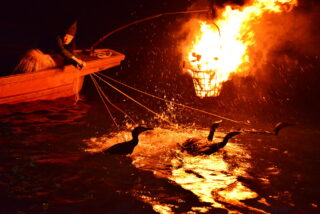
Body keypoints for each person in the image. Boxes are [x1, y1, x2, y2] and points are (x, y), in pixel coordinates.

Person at [13, 21, 86, 74]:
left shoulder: (72, 43)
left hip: (53, 56)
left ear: (73, 37)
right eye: (65, 35)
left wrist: (78, 61)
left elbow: (72, 52)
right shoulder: (57, 38)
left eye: (69, 37)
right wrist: (76, 60)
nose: (66, 38)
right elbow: (62, 50)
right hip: (40, 55)